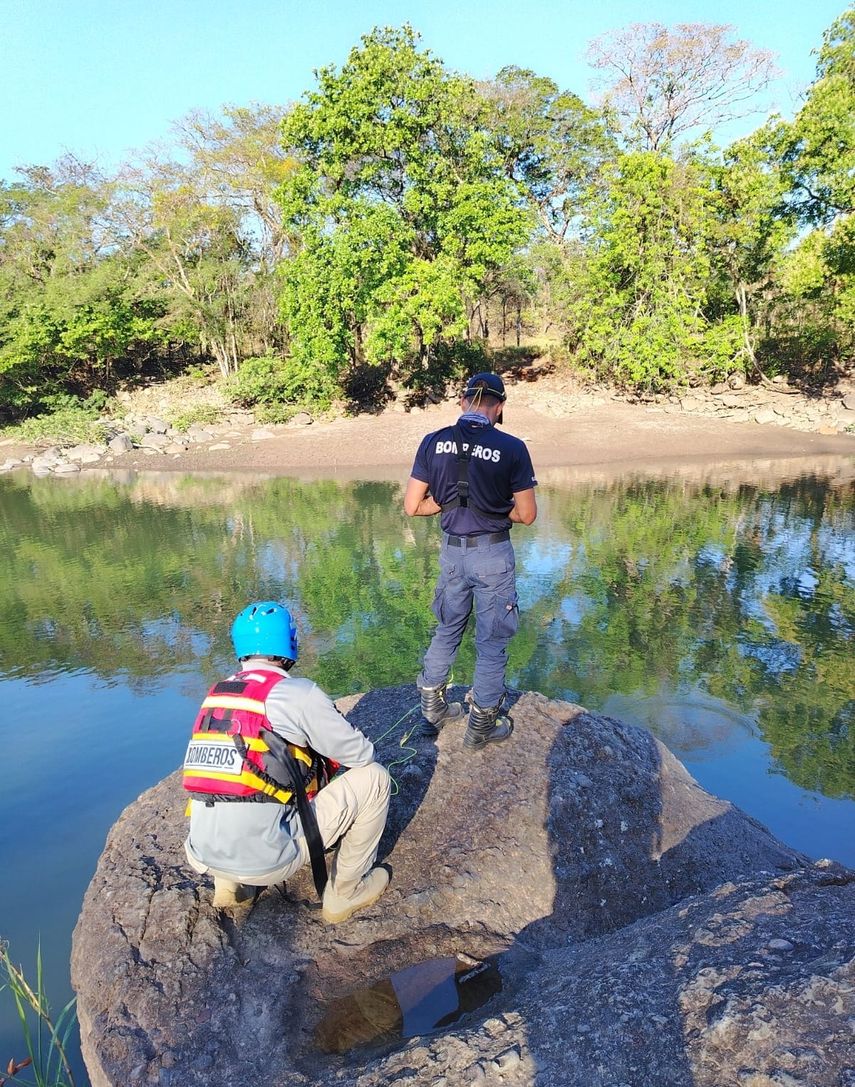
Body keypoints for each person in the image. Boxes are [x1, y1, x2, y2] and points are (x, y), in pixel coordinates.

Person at [183, 601, 391, 923]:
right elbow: (361, 755)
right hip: (268, 856)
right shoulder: (297, 693)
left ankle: (230, 885)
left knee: (235, 784)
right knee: (376, 779)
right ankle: (345, 894)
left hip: (203, 853)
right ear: (288, 643)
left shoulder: (217, 693)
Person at [404, 372, 537, 750]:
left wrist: (446, 503)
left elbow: (413, 506)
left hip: (451, 553)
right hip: (492, 554)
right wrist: (494, 507)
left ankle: (432, 710)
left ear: (463, 403)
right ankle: (481, 726)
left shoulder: (433, 442)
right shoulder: (511, 448)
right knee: (492, 642)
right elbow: (526, 514)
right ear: (499, 407)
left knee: (446, 630)